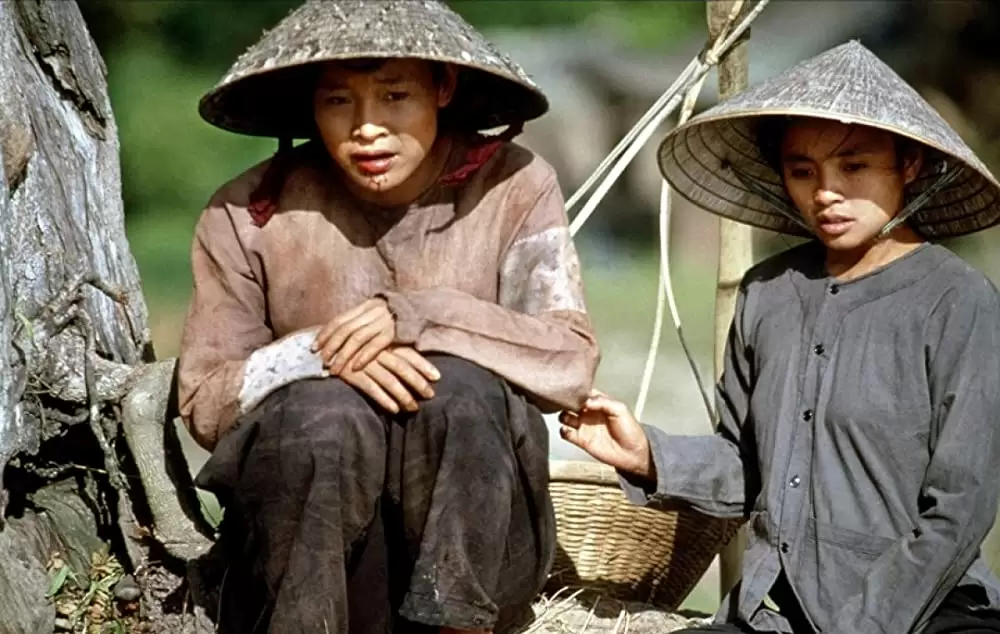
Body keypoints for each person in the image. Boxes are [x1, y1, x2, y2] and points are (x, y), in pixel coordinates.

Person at [176, 1, 599, 632]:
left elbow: (568, 362)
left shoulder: (515, 185)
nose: (367, 128)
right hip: (309, 557)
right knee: (324, 412)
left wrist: (421, 318)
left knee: (458, 389)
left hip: (476, 553)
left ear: (443, 88)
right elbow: (206, 401)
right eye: (338, 102)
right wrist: (319, 354)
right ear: (310, 105)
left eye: (395, 95)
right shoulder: (247, 212)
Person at [560, 40, 1000, 633]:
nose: (826, 193)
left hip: (923, 610)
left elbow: (959, 509)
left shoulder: (957, 300)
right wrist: (648, 454)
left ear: (910, 165)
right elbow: (749, 468)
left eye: (854, 166)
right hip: (775, 612)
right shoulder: (767, 291)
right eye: (802, 171)